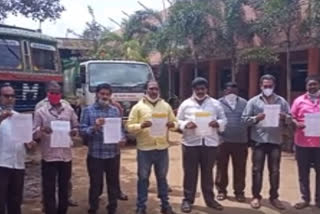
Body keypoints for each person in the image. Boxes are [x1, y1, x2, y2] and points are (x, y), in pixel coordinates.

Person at [177, 77, 227, 213]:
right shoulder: (186, 104)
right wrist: (186, 124)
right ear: (193, 89)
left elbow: (224, 119)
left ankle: (210, 200)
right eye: (197, 89)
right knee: (190, 174)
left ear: (207, 89)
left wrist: (218, 123)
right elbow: (178, 121)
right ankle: (188, 200)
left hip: (210, 143)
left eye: (202, 89)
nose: (200, 91)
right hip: (190, 143)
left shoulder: (215, 104)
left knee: (208, 173)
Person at [127, 80, 177, 214]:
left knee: (162, 178)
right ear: (146, 90)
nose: (154, 91)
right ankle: (141, 206)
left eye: (156, 89)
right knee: (143, 178)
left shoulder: (165, 106)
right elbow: (129, 126)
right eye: (151, 89)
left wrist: (173, 126)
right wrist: (141, 126)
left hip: (162, 148)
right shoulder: (138, 107)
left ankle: (165, 205)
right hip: (145, 149)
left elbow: (174, 122)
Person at [242, 74, 291, 210]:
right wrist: (256, 118)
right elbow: (244, 120)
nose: (268, 88)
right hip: (259, 141)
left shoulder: (281, 101)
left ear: (274, 86)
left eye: (270, 86)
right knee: (257, 170)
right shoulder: (253, 102)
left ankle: (274, 197)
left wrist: (284, 117)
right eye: (265, 86)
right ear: (260, 86)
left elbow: (290, 118)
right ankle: (256, 196)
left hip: (275, 141)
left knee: (275, 171)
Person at [33, 81, 79, 214]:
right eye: (52, 93)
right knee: (49, 188)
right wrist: (41, 130)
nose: (55, 95)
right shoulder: (40, 111)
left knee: (64, 188)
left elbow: (75, 125)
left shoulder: (68, 109)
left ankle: (62, 211)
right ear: (47, 94)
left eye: (57, 93)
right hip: (49, 156)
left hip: (66, 156)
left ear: (61, 94)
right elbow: (33, 132)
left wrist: (74, 132)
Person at [80, 83, 126, 214]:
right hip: (96, 154)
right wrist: (94, 127)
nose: (105, 96)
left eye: (107, 94)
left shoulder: (115, 110)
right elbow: (82, 131)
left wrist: (122, 138)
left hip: (113, 153)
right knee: (95, 184)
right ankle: (93, 207)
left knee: (113, 183)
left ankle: (112, 207)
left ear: (110, 96)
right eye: (102, 94)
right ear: (97, 94)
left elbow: (120, 129)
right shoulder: (88, 111)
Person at [0, 83, 36, 214]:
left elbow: (28, 143)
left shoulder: (19, 117)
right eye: (6, 96)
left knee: (15, 201)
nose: (10, 99)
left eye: (12, 96)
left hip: (18, 165)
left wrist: (29, 144)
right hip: (2, 164)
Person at [215, 82, 248, 202]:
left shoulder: (245, 103)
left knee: (240, 168)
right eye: (229, 92)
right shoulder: (218, 103)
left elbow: (248, 118)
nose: (231, 94)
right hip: (223, 141)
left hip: (241, 141)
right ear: (224, 92)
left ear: (237, 92)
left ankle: (239, 192)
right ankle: (221, 190)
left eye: (234, 92)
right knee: (221, 167)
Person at [291, 76, 320, 209]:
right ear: (306, 86)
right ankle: (305, 199)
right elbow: (292, 117)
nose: (312, 87)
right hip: (302, 143)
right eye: (310, 85)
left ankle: (318, 200)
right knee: (303, 173)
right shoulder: (299, 101)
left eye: (314, 84)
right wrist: (296, 123)